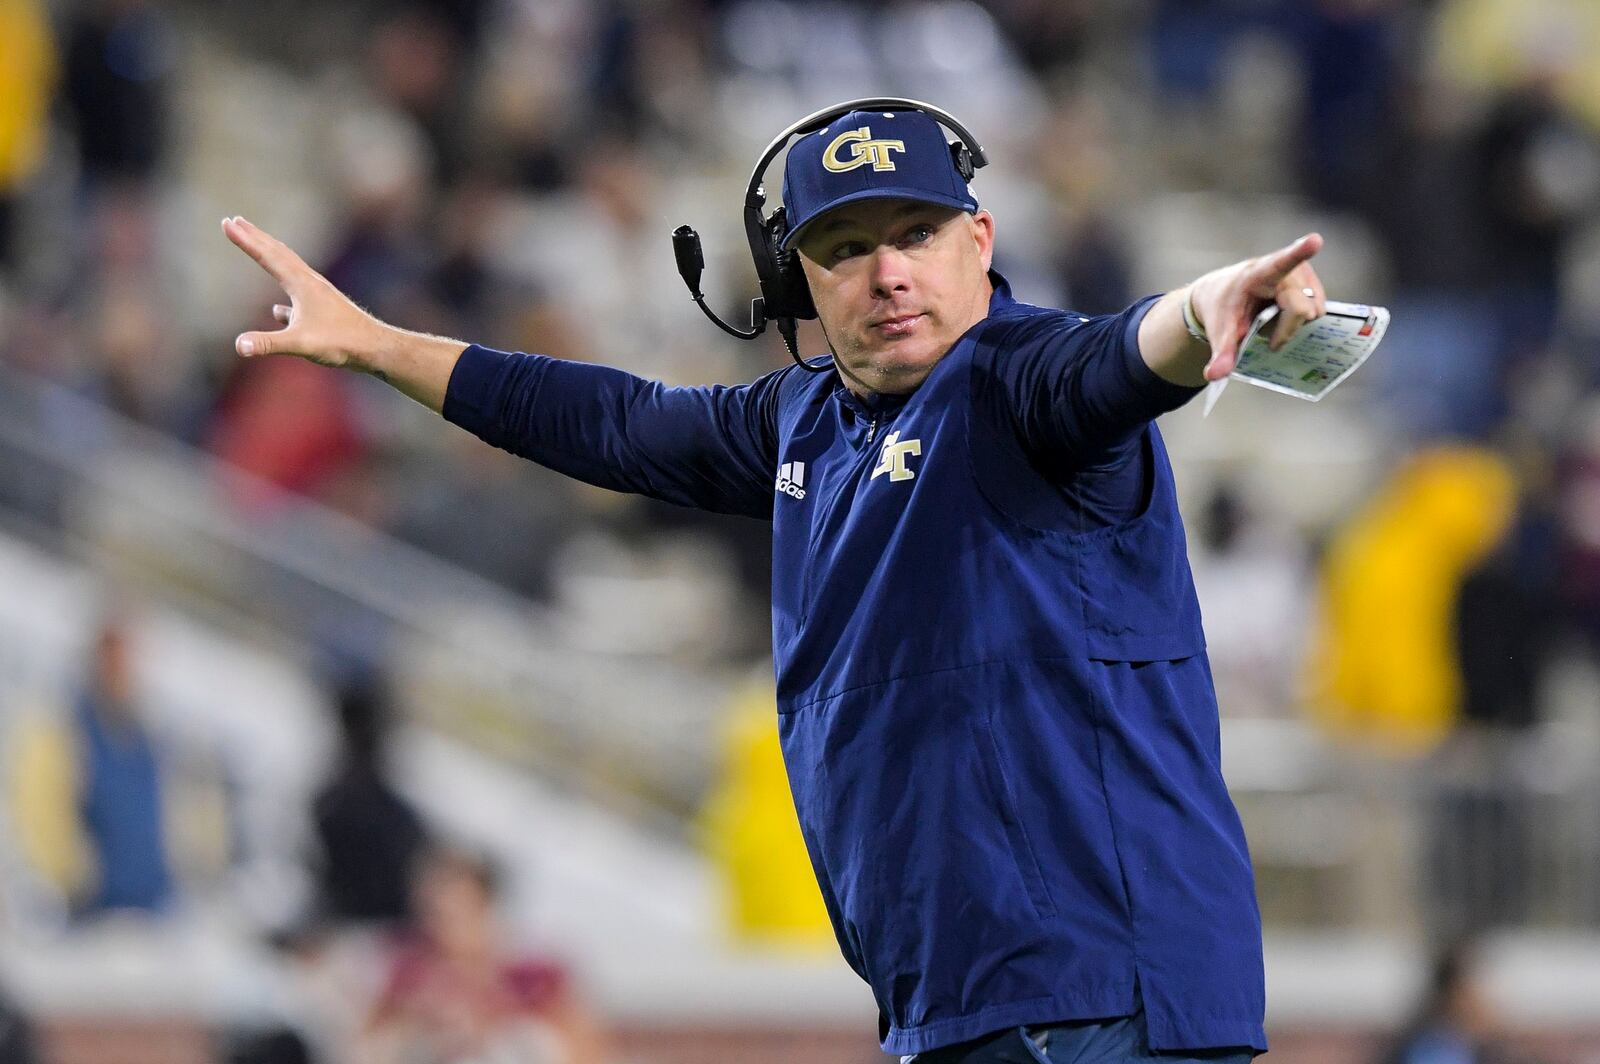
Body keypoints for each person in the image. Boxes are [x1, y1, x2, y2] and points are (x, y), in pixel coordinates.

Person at [223, 100, 1331, 1062]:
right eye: (845, 247)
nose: (887, 271)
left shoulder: (1018, 381)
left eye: (916, 232)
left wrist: (1212, 305)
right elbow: (609, 420)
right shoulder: (803, 421)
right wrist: (376, 346)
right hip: (962, 994)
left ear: (977, 239)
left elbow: (1123, 355)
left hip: (1098, 985)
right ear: (799, 277)